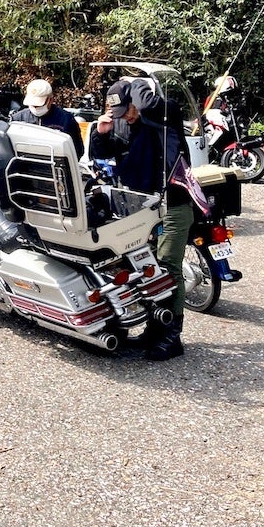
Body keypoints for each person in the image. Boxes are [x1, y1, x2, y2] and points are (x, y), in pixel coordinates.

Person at [88, 77, 194, 361]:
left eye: (129, 110)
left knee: (169, 267)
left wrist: (134, 83)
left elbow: (148, 103)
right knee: (145, 269)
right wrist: (101, 133)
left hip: (172, 203)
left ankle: (172, 337)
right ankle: (154, 326)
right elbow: (102, 156)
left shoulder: (165, 112)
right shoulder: (121, 121)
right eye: (121, 113)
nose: (128, 117)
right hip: (138, 207)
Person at [9, 79, 85, 157]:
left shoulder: (66, 119)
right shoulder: (18, 119)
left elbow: (77, 150)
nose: (35, 107)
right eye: (32, 104)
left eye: (39, 105)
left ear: (51, 100)